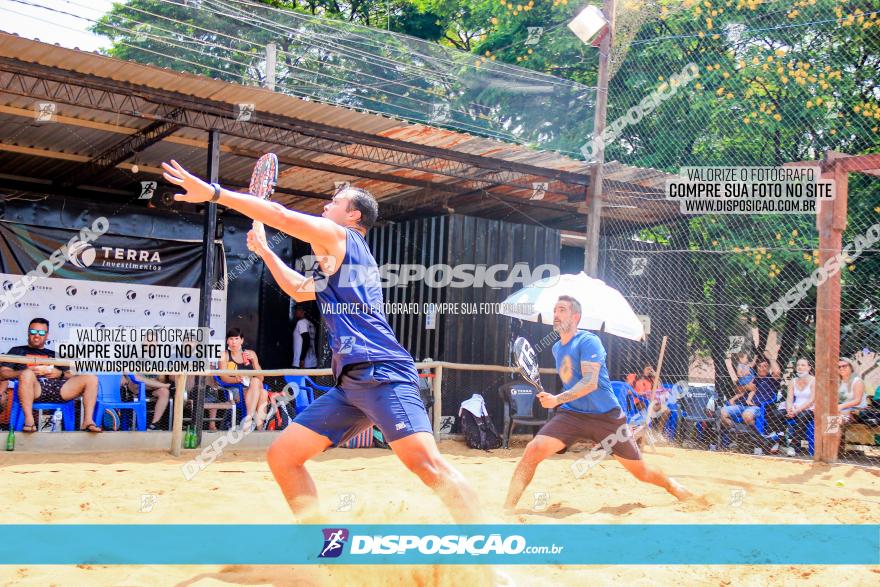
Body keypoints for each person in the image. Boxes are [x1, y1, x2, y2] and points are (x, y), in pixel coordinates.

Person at [162, 160, 483, 523]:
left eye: (334, 202)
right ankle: (325, 545)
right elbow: (299, 291)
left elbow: (280, 214)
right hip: (350, 385)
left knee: (428, 466)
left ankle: (489, 556)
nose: (325, 206)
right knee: (283, 456)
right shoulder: (333, 260)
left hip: (382, 373)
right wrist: (267, 252)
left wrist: (215, 194)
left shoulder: (342, 237)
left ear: (353, 215)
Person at [502, 296, 692, 514]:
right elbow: (573, 384)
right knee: (533, 450)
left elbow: (590, 383)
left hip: (606, 418)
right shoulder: (556, 349)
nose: (556, 314)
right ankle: (508, 508)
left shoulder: (589, 341)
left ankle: (674, 487)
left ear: (576, 317)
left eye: (562, 310)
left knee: (641, 472)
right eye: (554, 310)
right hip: (572, 415)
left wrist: (556, 399)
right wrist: (558, 400)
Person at [0, 318, 102, 432]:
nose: (37, 335)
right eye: (33, 332)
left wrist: (60, 374)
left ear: (47, 335)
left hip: (58, 390)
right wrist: (24, 372)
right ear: (28, 332)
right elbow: (3, 373)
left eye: (41, 333)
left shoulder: (53, 354)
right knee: (27, 374)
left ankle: (87, 421)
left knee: (91, 378)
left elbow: (72, 375)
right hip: (33, 390)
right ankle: (30, 421)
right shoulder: (17, 351)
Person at [721, 357, 781, 450]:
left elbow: (777, 372)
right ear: (757, 368)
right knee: (722, 412)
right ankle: (739, 432)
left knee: (747, 415)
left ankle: (756, 439)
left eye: (765, 366)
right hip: (742, 405)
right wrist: (747, 387)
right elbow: (738, 389)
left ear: (769, 368)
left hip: (756, 407)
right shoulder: (753, 378)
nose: (762, 368)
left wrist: (771, 357)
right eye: (760, 366)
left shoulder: (771, 379)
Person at [218, 328, 267, 431]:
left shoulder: (251, 354)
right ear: (227, 341)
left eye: (236, 338)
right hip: (235, 390)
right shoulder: (224, 355)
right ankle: (260, 429)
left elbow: (261, 378)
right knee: (262, 393)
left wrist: (253, 362)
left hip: (252, 389)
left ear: (242, 340)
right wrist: (236, 380)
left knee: (257, 384)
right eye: (231, 339)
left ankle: (248, 420)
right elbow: (223, 377)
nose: (234, 342)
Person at [784, 358, 815, 456]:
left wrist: (796, 411)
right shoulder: (793, 381)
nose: (800, 367)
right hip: (795, 408)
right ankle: (776, 442)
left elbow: (811, 401)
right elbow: (789, 398)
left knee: (802, 416)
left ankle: (794, 446)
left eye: (803, 365)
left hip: (809, 409)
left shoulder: (814, 380)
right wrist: (789, 409)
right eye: (798, 365)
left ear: (809, 367)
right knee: (778, 414)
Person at [837, 357, 867, 423]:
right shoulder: (839, 382)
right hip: (841, 409)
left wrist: (840, 406)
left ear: (851, 367)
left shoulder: (857, 381)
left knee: (833, 419)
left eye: (844, 366)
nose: (841, 368)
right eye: (838, 367)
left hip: (856, 409)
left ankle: (831, 432)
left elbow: (857, 400)